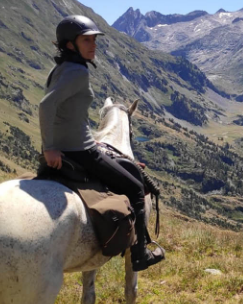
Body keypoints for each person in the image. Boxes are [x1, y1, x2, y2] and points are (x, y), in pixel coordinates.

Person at [39, 15, 163, 271]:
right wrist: (49, 146)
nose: (93, 45)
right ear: (70, 44)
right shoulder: (77, 71)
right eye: (87, 40)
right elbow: (47, 105)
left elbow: (65, 112)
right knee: (136, 189)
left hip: (69, 146)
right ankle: (140, 255)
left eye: (94, 39)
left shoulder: (60, 67)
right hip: (81, 151)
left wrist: (53, 144)